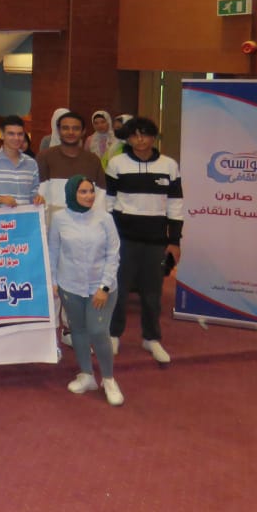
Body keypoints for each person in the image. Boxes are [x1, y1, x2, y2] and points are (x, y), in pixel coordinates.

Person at [106, 117, 183, 364]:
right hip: (123, 240)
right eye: (134, 135)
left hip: (155, 241)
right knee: (118, 290)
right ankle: (113, 334)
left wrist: (174, 241)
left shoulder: (169, 165)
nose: (140, 139)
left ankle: (151, 338)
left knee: (152, 293)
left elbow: (175, 205)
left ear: (153, 137)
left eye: (145, 134)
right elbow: (108, 203)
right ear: (128, 139)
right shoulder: (117, 164)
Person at [48, 175, 123, 406]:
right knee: (78, 330)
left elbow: (113, 254)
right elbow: (53, 251)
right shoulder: (59, 219)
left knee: (98, 331)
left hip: (101, 288)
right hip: (70, 286)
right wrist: (53, 281)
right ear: (72, 194)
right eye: (83, 192)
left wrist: (104, 287)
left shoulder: (105, 219)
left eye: (91, 191)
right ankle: (87, 375)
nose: (89, 196)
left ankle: (108, 380)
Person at [38, 110, 106, 223]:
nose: (70, 132)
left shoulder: (93, 160)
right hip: (52, 221)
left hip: (86, 220)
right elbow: (39, 193)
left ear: (83, 131)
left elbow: (100, 196)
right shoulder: (44, 157)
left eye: (76, 128)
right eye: (65, 128)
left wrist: (96, 222)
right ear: (58, 130)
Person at [0, 115, 45, 209]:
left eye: (20, 134)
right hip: (0, 217)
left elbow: (34, 193)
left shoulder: (31, 163)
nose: (16, 138)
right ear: (2, 135)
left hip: (25, 216)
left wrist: (38, 199)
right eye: (11, 134)